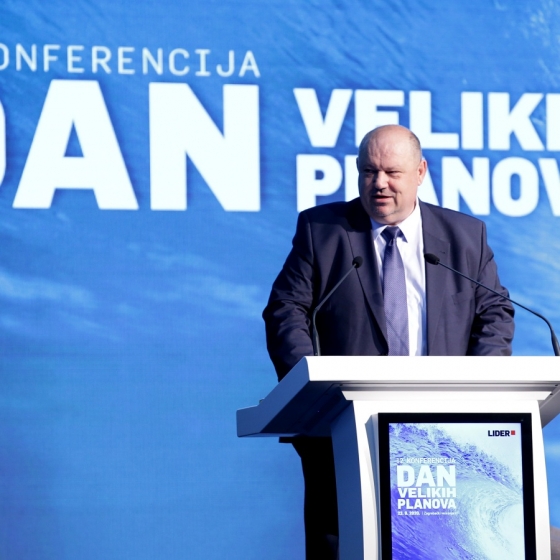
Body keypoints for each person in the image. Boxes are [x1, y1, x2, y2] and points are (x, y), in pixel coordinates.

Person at [262, 125, 514, 559]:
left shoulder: (464, 236)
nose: (379, 183)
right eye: (368, 171)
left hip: (441, 433)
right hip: (342, 429)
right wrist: (311, 388)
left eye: (392, 172)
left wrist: (475, 392)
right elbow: (286, 310)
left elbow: (494, 313)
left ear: (420, 172)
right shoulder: (322, 230)